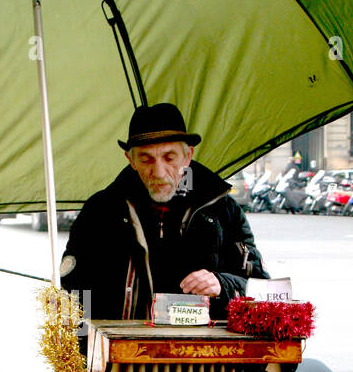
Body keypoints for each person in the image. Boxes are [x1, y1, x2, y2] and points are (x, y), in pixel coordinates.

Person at [59, 102, 269, 320]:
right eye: (146, 159)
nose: (158, 172)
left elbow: (262, 289)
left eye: (169, 158)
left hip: (202, 352)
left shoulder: (222, 210)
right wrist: (84, 350)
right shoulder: (100, 211)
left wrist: (222, 284)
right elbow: (75, 292)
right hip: (122, 351)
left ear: (187, 156)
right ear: (131, 160)